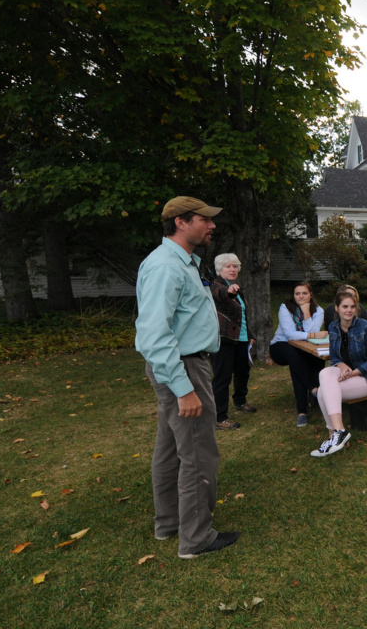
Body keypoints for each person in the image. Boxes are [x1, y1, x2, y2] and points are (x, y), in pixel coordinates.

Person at [135, 196, 239, 559]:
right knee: (197, 451)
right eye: (204, 220)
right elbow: (153, 334)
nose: (211, 226)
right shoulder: (167, 267)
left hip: (182, 364)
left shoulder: (183, 263)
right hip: (183, 368)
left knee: (169, 448)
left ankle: (169, 523)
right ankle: (196, 538)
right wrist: (184, 389)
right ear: (180, 222)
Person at [311, 287, 367, 457]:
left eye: (352, 306)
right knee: (324, 375)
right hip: (345, 375)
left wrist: (352, 372)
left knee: (323, 391)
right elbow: (335, 357)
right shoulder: (333, 327)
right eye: (345, 306)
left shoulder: (365, 327)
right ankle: (338, 433)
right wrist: (340, 365)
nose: (349, 310)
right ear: (337, 308)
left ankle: (334, 435)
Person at [209, 253, 256, 431]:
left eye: (235, 266)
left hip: (241, 339)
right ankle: (219, 416)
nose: (232, 269)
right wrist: (228, 292)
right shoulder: (215, 286)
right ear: (220, 269)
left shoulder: (237, 289)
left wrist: (249, 333)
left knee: (243, 371)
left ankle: (240, 401)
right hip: (223, 339)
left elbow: (242, 315)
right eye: (228, 266)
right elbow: (219, 294)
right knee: (222, 378)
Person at [269, 282, 327, 427]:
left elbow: (312, 336)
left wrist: (306, 312)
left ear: (311, 295)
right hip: (281, 345)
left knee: (316, 358)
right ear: (293, 295)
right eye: (297, 293)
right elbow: (290, 334)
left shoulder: (318, 310)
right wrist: (314, 334)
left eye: (304, 293)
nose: (301, 296)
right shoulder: (285, 307)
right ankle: (312, 390)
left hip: (303, 345)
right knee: (295, 357)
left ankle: (309, 406)